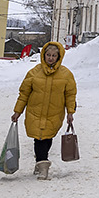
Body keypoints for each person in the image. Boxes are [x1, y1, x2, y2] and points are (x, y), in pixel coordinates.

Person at [12, 40, 76, 181]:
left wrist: (70, 112)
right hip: (35, 112)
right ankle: (43, 166)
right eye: (48, 55)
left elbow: (70, 95)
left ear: (59, 57)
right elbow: (24, 94)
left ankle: (40, 162)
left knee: (47, 137)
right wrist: (17, 111)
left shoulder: (66, 75)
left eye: (54, 56)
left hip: (55, 113)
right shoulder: (34, 72)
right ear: (43, 55)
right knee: (39, 138)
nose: (51, 58)